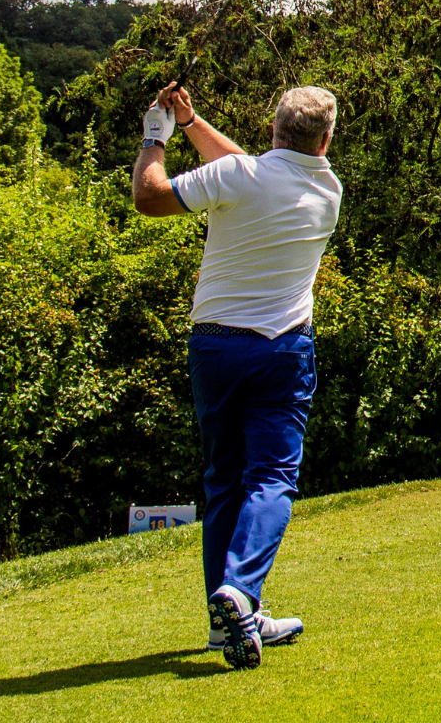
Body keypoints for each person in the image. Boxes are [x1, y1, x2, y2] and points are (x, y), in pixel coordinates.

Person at [132, 82, 343, 670]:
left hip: (216, 349)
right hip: (282, 352)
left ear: (274, 128)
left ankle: (226, 623)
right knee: (271, 479)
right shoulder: (328, 188)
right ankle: (242, 594)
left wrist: (157, 136)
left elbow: (151, 197)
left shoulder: (240, 178)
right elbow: (244, 168)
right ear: (325, 139)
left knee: (223, 481)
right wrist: (193, 122)